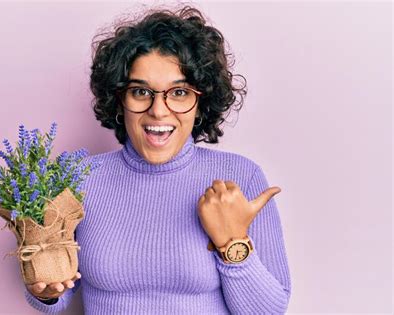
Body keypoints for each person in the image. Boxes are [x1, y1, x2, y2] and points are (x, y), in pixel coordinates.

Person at [23, 5, 291, 314]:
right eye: (140, 91)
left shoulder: (239, 177)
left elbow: (268, 312)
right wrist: (44, 290)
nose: (158, 110)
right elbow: (57, 296)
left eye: (179, 92)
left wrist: (232, 244)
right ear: (119, 100)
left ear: (200, 103)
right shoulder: (78, 178)